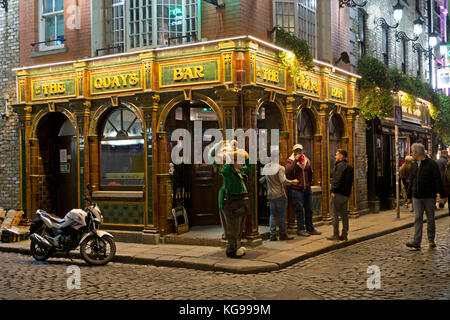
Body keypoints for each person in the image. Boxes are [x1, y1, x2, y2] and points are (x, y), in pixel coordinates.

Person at [209, 141, 251, 258]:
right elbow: (226, 164)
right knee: (232, 226)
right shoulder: (227, 170)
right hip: (230, 202)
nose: (242, 162)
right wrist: (231, 153)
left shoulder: (241, 171)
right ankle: (231, 250)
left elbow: (249, 163)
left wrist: (241, 153)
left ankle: (236, 247)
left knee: (239, 226)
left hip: (241, 201)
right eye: (239, 160)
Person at [406, 143, 447, 249]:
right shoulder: (414, 165)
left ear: (417, 153)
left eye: (412, 152)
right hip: (417, 197)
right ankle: (416, 241)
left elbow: (438, 180)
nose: (411, 154)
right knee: (418, 218)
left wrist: (442, 196)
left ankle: (431, 239)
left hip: (429, 196)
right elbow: (412, 181)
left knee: (430, 218)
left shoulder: (432, 164)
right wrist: (409, 196)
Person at [259, 149, 299, 241]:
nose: (281, 157)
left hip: (270, 194)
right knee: (281, 215)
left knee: (272, 215)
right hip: (280, 194)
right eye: (280, 155)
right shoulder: (280, 168)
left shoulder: (266, 166)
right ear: (277, 157)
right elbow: (283, 181)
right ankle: (282, 234)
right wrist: (293, 182)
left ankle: (272, 234)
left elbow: (264, 180)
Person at [285, 144, 321, 236]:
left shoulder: (306, 160)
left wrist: (308, 184)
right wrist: (295, 160)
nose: (298, 152)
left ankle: (310, 228)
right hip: (296, 190)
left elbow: (310, 173)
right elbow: (288, 172)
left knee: (309, 209)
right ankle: (301, 229)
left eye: (300, 150)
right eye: (296, 150)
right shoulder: (290, 160)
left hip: (307, 189)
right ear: (293, 151)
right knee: (299, 210)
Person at [327, 149, 354, 241]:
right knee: (344, 216)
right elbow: (350, 182)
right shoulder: (349, 167)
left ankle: (335, 234)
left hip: (338, 194)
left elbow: (337, 179)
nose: (335, 156)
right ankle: (345, 234)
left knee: (334, 214)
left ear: (341, 156)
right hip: (346, 195)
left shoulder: (340, 166)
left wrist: (333, 190)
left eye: (337, 154)